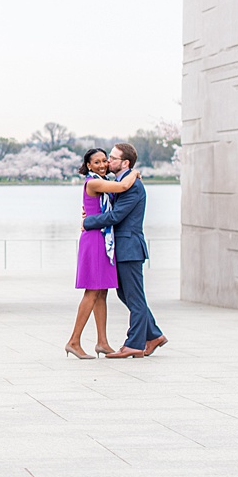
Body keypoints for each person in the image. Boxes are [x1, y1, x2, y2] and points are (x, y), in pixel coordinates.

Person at [82, 142, 167, 358]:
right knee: (126, 294)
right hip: (122, 247)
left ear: (125, 163)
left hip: (129, 247)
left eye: (112, 158)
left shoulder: (132, 186)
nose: (108, 162)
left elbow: (115, 216)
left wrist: (89, 222)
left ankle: (135, 344)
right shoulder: (121, 181)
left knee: (134, 297)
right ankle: (154, 335)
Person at [65, 148, 141, 359]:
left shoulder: (101, 182)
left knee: (102, 292)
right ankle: (74, 341)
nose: (101, 164)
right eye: (96, 162)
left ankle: (102, 342)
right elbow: (124, 186)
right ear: (88, 165)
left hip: (103, 238)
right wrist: (134, 173)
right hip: (95, 239)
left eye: (104, 161)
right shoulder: (93, 182)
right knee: (92, 291)